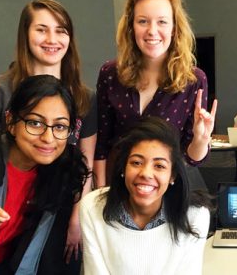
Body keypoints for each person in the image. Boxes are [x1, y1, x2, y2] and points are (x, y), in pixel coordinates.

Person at [0, 0, 96, 266]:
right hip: (7, 211)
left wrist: (77, 217)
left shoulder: (85, 97)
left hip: (57, 213)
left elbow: (87, 163)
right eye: (41, 29)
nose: (52, 38)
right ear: (25, 34)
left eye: (61, 30)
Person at [0, 75, 89, 274]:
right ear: (11, 121)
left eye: (60, 126)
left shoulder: (63, 168)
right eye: (35, 123)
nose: (48, 138)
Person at [94, 0, 217, 187]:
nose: (152, 31)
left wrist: (201, 138)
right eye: (143, 21)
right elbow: (102, 144)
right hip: (117, 189)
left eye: (162, 22)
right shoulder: (110, 74)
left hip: (167, 192)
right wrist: (99, 195)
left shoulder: (194, 80)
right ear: (131, 26)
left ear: (174, 28)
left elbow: (193, 159)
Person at [80, 116, 211, 274]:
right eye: (136, 162)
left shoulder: (195, 216)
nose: (146, 174)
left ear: (173, 176)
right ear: (123, 168)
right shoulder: (93, 207)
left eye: (159, 166)